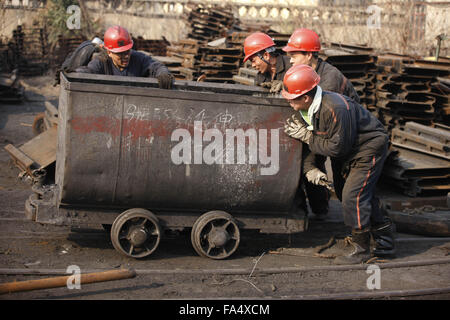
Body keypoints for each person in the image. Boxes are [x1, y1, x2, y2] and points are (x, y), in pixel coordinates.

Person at [282, 64, 395, 264]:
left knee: (354, 195)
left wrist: (307, 137)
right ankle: (384, 240)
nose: (289, 102)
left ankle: (361, 250)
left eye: (291, 99)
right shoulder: (310, 109)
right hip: (351, 149)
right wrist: (310, 168)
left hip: (368, 148)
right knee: (346, 192)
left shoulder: (334, 108)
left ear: (305, 97)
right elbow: (318, 141)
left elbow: (336, 149)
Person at [77, 25, 173, 89]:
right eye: (121, 53)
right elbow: (88, 71)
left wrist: (163, 73)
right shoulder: (101, 62)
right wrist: (74, 74)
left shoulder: (138, 59)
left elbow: (156, 66)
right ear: (109, 52)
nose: (126, 56)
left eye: (128, 51)